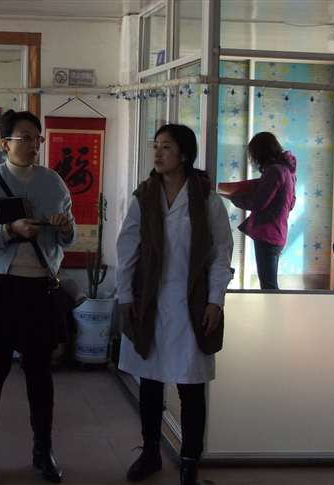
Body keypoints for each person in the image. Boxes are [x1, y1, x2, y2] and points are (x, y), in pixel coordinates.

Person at [0, 109, 75, 485]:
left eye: (36, 138)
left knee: (40, 374)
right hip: (0, 287)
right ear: (4, 143)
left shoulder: (54, 183)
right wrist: (9, 230)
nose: (32, 144)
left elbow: (67, 237)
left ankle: (43, 451)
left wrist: (65, 227)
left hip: (40, 287)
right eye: (23, 137)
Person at [116, 124, 233, 485]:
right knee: (150, 382)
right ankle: (151, 452)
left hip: (191, 303)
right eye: (156, 146)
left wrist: (215, 300)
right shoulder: (144, 196)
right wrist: (125, 296)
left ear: (184, 154)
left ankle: (189, 462)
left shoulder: (206, 199)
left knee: (190, 385)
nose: (158, 153)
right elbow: (127, 249)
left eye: (166, 147)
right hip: (150, 301)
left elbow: (221, 252)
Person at [225, 131, 297, 290]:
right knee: (269, 283)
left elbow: (258, 202)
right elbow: (291, 203)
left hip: (267, 234)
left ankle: (273, 307)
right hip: (278, 233)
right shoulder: (288, 172)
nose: (253, 159)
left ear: (260, 153)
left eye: (253, 154)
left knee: (268, 286)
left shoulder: (274, 172)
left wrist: (233, 198)